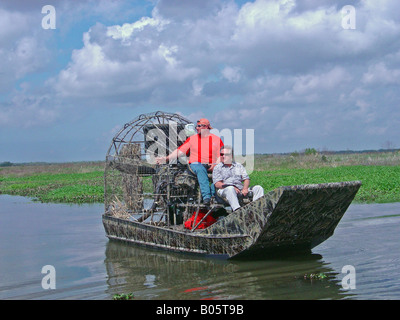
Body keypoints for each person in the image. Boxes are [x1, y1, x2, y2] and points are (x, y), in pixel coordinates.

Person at [155, 118, 224, 205]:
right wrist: (166, 158)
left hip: (212, 165)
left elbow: (221, 155)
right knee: (200, 169)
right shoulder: (192, 139)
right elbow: (179, 151)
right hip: (196, 164)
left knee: (221, 171)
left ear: (206, 127)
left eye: (199, 126)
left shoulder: (216, 139)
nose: (197, 128)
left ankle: (215, 195)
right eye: (196, 126)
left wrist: (215, 165)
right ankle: (207, 196)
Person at [212, 145, 264, 211]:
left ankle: (257, 210)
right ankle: (237, 210)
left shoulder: (238, 166)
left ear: (231, 156)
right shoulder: (218, 168)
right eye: (221, 154)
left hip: (240, 189)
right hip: (224, 190)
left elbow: (246, 179)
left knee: (258, 188)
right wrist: (232, 186)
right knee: (230, 189)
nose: (223, 156)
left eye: (226, 154)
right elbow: (217, 184)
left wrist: (245, 188)